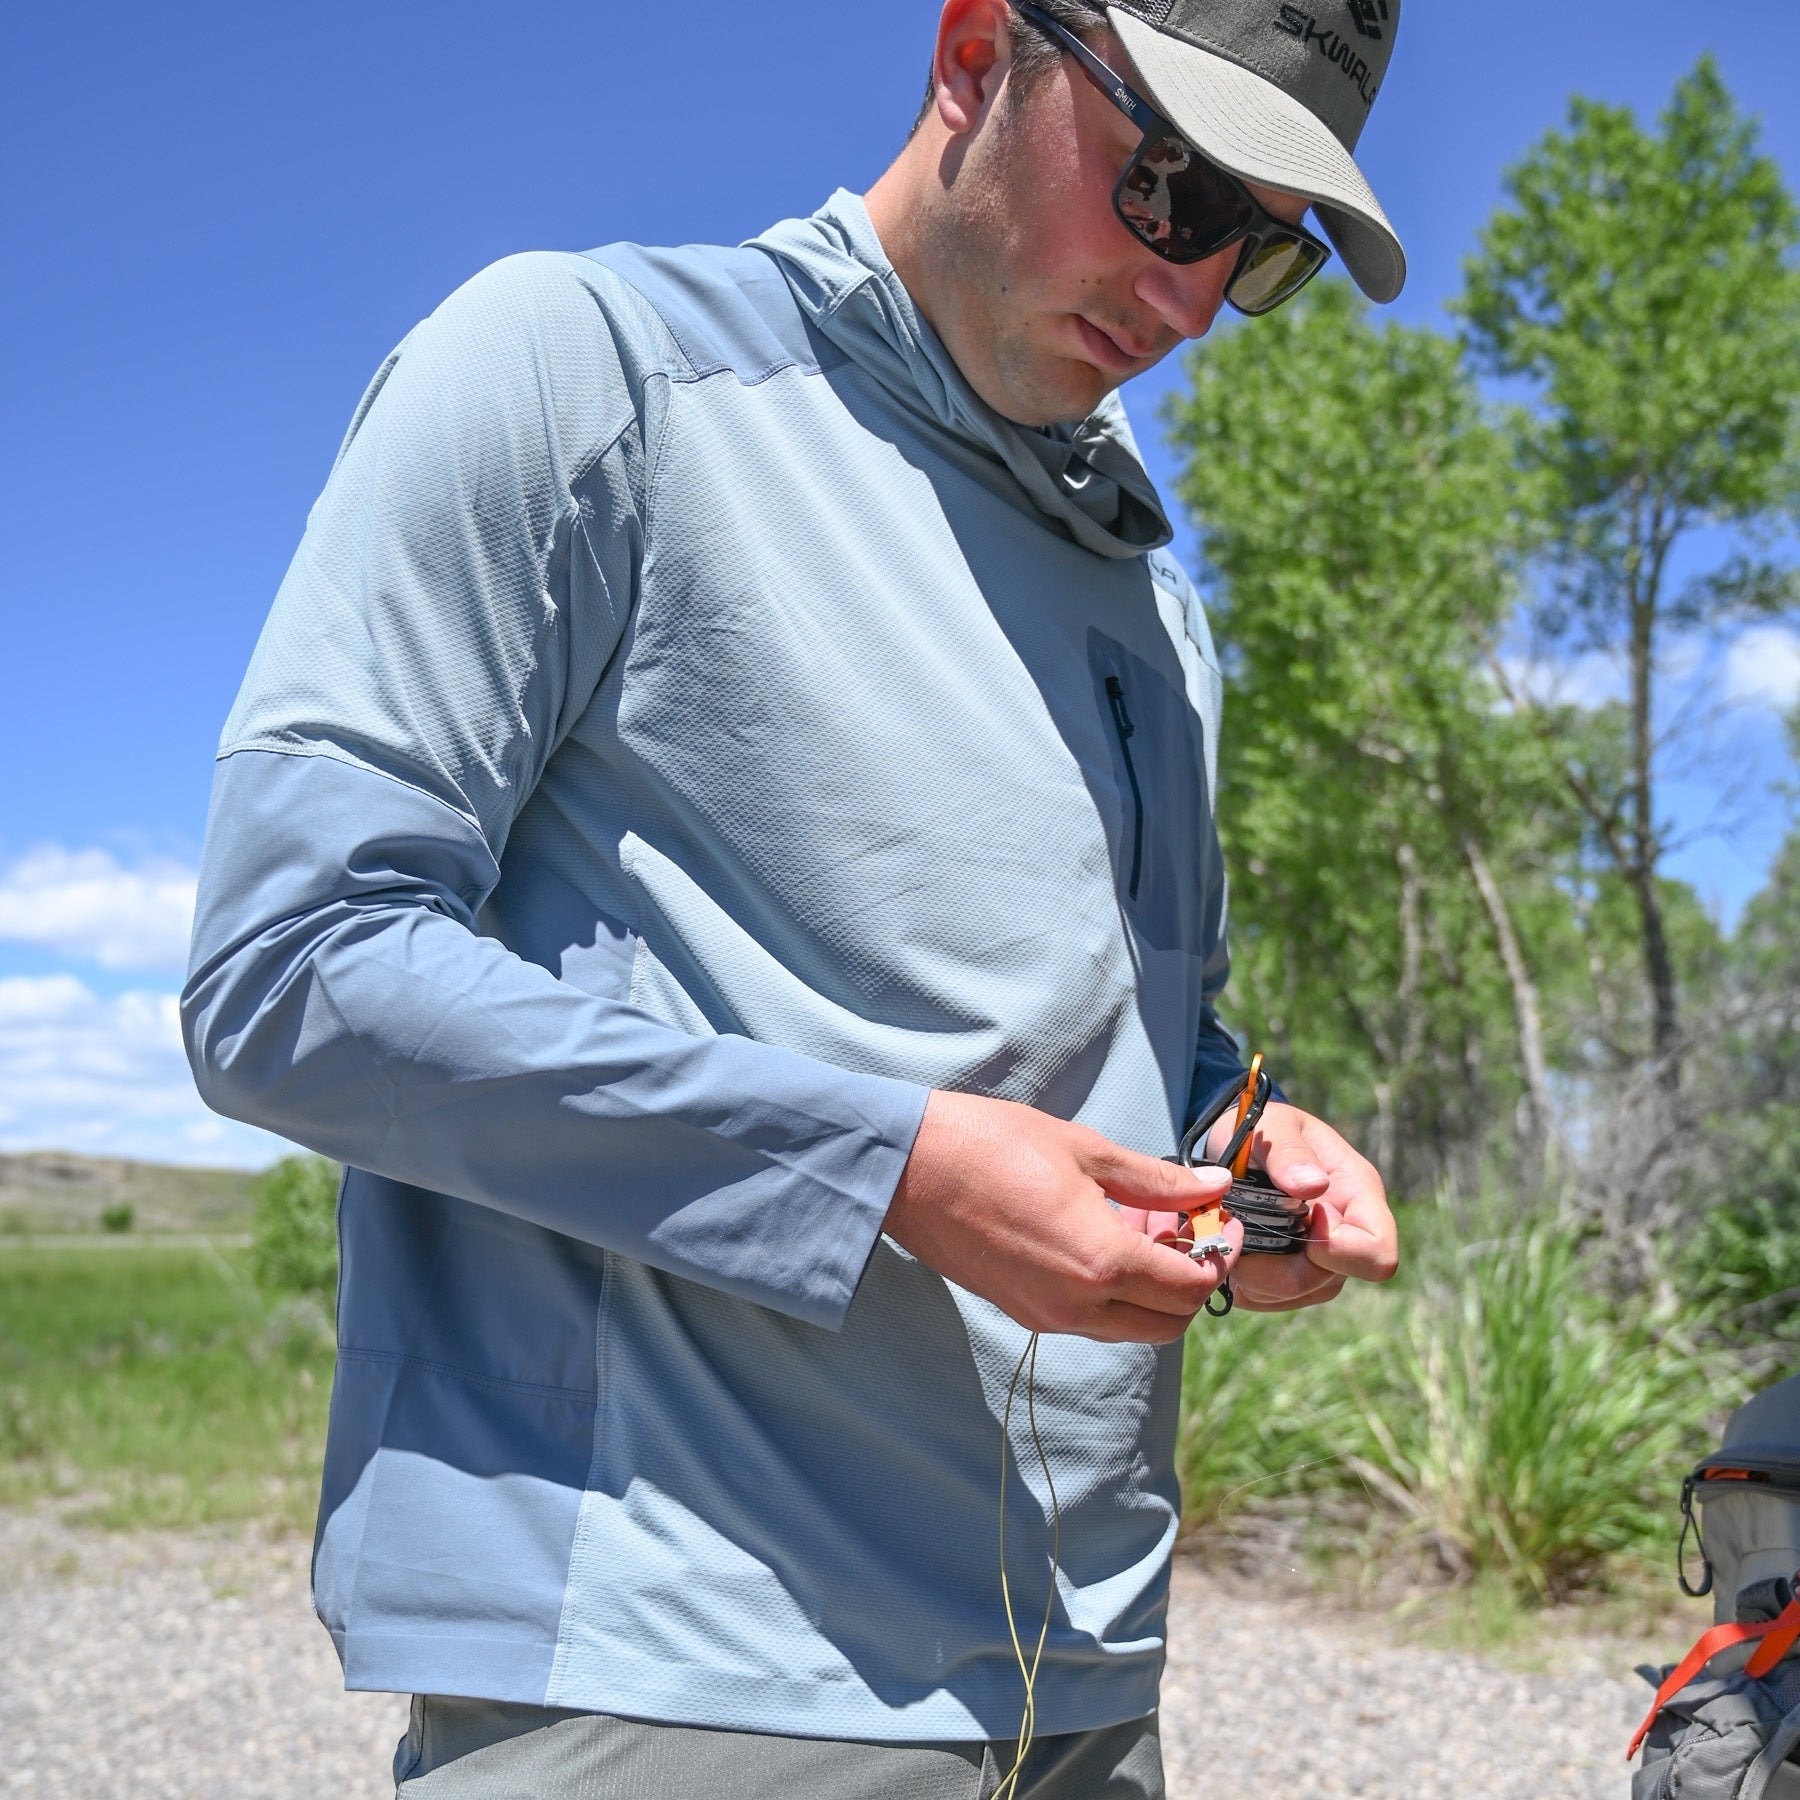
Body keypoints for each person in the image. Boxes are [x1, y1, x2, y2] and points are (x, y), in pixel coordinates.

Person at [183, 1, 1405, 1793]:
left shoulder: (1154, 598)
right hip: (682, 1678)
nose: (1192, 295)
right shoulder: (589, 370)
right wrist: (891, 1170)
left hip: (1085, 1694)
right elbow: (289, 976)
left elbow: (1098, 1030)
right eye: (1165, 184)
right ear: (980, 50)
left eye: (1261, 246)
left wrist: (1236, 1127)